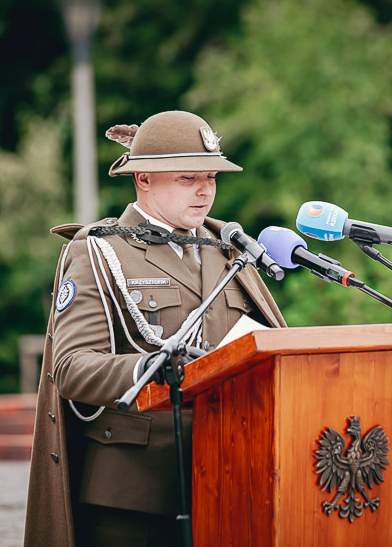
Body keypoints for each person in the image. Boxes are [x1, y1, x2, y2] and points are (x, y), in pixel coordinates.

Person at [24, 110, 287, 546]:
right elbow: (70, 368)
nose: (205, 190)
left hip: (232, 477)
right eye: (188, 178)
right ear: (142, 178)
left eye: (212, 177)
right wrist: (155, 369)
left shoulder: (229, 249)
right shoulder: (100, 252)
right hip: (135, 494)